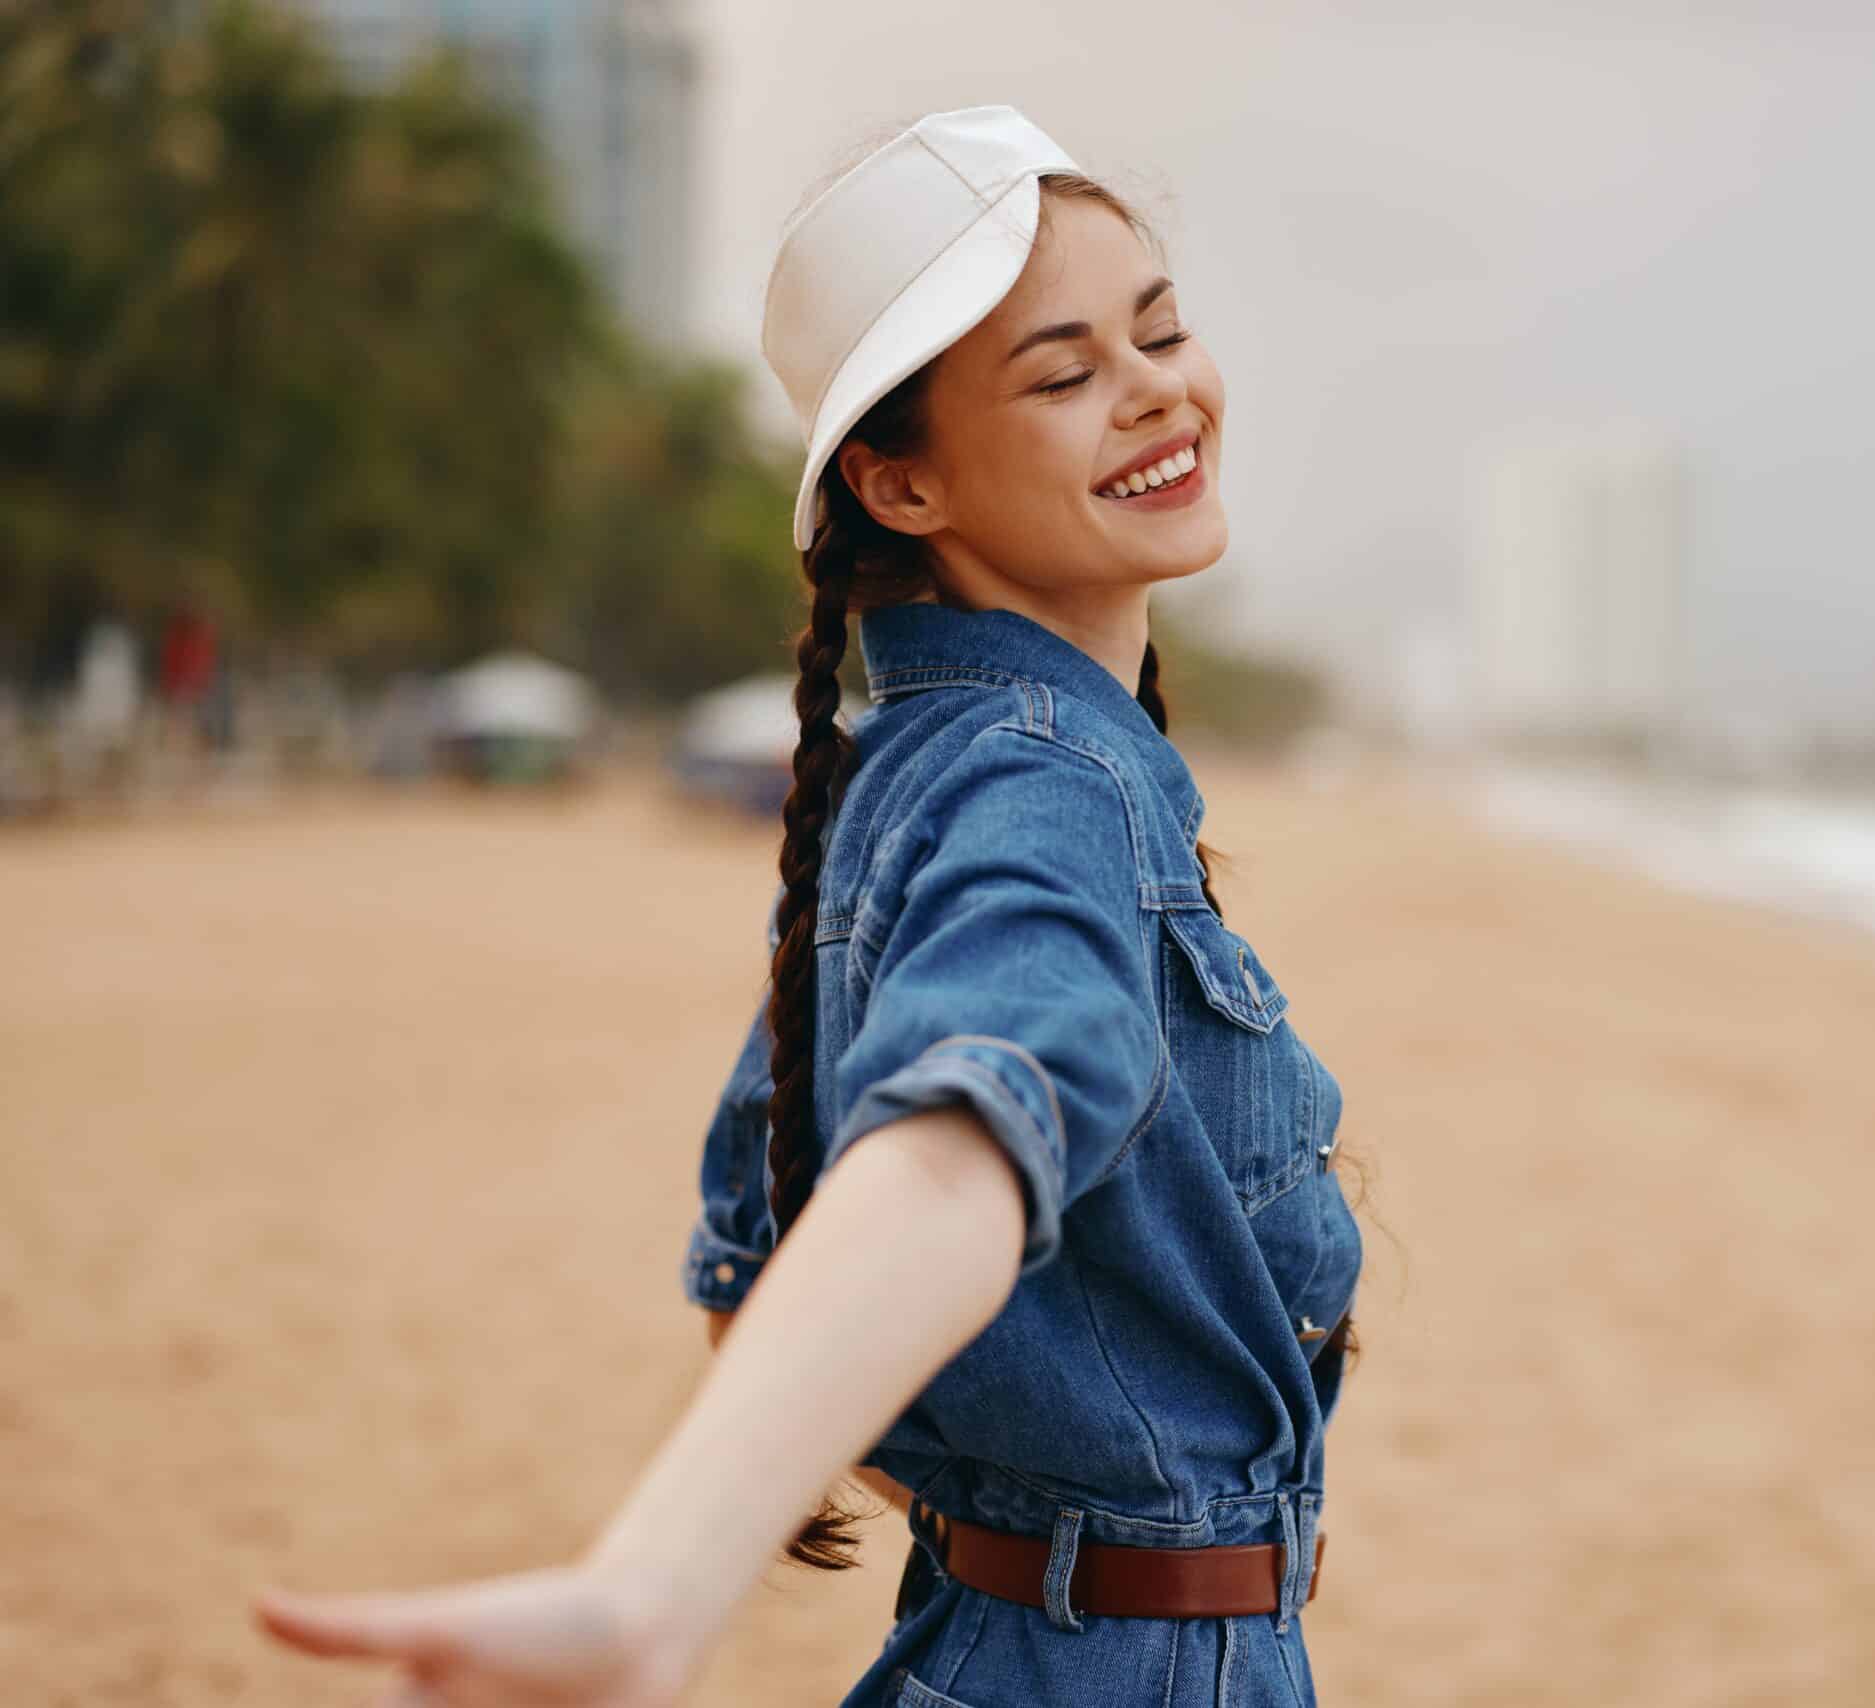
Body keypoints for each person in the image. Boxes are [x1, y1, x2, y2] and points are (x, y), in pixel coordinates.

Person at [249, 104, 1363, 1708]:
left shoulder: (901, 768)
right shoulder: (1043, 789)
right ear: (900, 483)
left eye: (1160, 328)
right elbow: (965, 1137)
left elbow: (755, 1246)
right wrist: (653, 1592)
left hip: (995, 1649)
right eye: (1063, 375)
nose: (1154, 393)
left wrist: (1019, 1490)